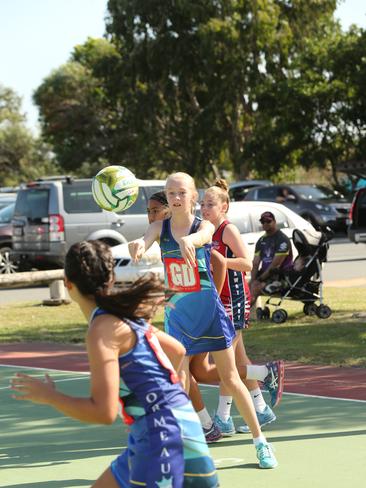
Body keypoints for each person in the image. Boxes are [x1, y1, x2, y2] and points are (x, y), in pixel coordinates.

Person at [11, 240, 219, 487]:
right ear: (110, 279)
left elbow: (104, 412)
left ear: (68, 284)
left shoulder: (102, 330)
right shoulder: (123, 318)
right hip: (174, 430)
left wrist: (50, 396)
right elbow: (177, 351)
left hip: (162, 439)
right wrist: (167, 405)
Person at [129, 172, 279, 469]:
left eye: (182, 192)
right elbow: (146, 239)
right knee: (180, 381)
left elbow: (203, 238)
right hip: (177, 316)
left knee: (232, 379)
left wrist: (191, 241)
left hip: (209, 313)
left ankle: (260, 441)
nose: (175, 197)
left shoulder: (205, 226)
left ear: (193, 197)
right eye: (170, 192)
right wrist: (139, 245)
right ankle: (181, 445)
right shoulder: (159, 226)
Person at [198, 180, 279, 435]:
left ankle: (223, 417)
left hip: (233, 299)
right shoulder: (205, 231)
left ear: (224, 207)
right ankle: (261, 407)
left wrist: (222, 262)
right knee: (238, 359)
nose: (205, 208)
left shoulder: (226, 230)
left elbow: (246, 264)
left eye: (210, 204)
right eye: (202, 204)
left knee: (227, 363)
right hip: (218, 300)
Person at [147, 190, 226, 443]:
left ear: (170, 209)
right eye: (148, 211)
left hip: (201, 311)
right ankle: (263, 374)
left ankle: (201, 425)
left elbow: (220, 262)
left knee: (185, 371)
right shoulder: (162, 233)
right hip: (180, 312)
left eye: (155, 210)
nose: (150, 216)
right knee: (198, 371)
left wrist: (211, 298)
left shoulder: (192, 232)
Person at [250, 211, 293, 307]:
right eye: (262, 222)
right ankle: (242, 315)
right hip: (265, 275)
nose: (265, 224)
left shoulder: (282, 239)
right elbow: (256, 263)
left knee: (256, 288)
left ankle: (243, 317)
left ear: (274, 222)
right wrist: (253, 280)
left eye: (268, 221)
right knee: (246, 287)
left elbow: (275, 265)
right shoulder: (261, 240)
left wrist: (259, 280)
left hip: (280, 276)